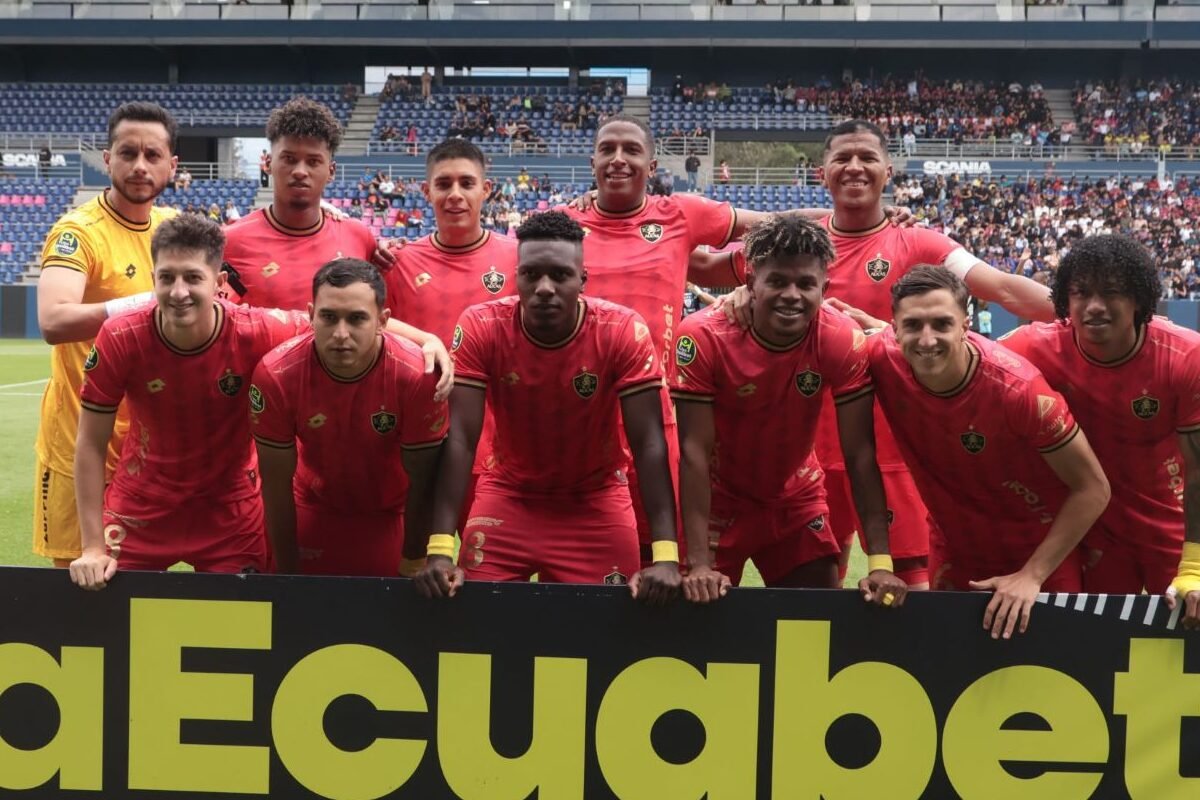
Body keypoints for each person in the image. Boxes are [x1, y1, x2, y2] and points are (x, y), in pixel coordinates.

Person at [703, 119, 1057, 588]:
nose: (855, 167)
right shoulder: (790, 248)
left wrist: (1108, 305)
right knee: (818, 594)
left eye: (867, 158)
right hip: (802, 457)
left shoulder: (920, 242)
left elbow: (1006, 289)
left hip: (883, 446)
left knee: (909, 590)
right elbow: (693, 262)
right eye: (842, 159)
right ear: (821, 171)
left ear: (888, 171)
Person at [414, 212, 680, 602]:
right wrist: (438, 550)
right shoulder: (482, 325)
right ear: (516, 276)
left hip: (596, 500)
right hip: (508, 496)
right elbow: (460, 439)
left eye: (559, 275)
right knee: (477, 623)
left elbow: (649, 444)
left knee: (607, 636)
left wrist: (667, 556)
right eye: (531, 274)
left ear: (582, 280)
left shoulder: (622, 330)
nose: (544, 287)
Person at [672, 215, 905, 606]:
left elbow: (860, 454)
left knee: (816, 622)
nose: (792, 295)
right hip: (716, 501)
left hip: (795, 500)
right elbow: (693, 451)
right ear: (750, 284)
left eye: (806, 284)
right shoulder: (702, 336)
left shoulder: (840, 339)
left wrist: (880, 561)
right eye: (777, 281)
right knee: (692, 624)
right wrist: (697, 563)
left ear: (824, 288)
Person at [68, 215, 312, 587]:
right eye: (167, 277)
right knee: (109, 622)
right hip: (142, 506)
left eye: (193, 277)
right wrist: (91, 547)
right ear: (153, 280)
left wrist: (424, 341)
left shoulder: (257, 330)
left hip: (229, 511)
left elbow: (332, 323)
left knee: (242, 632)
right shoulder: (121, 336)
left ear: (219, 283)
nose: (178, 291)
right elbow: (89, 443)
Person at [866, 267, 1110, 638]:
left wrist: (1032, 575)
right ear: (893, 327)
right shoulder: (881, 358)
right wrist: (741, 296)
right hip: (956, 549)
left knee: (1055, 681)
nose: (927, 340)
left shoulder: (1019, 391)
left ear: (966, 325)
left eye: (942, 324)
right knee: (951, 677)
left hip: (1039, 554)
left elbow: (1094, 488)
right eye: (913, 325)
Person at [999, 235, 1200, 596]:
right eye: (1081, 293)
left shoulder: (1185, 356)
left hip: (1170, 521)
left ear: (1138, 299)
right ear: (1064, 298)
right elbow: (959, 353)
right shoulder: (1033, 346)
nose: (1094, 306)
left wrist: (1195, 565)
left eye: (1111, 293)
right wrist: (882, 329)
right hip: (1092, 525)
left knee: (1184, 638)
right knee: (1096, 645)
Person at [33, 102, 179, 566]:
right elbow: (54, 321)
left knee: (147, 592)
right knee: (76, 594)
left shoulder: (174, 229)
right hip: (79, 446)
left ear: (172, 165)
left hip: (151, 452)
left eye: (152, 155)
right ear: (106, 158)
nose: (140, 166)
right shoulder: (79, 231)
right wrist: (145, 303)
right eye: (127, 152)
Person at [252, 259, 446, 577]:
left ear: (382, 320)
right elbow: (275, 484)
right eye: (329, 317)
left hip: (391, 515)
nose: (341, 334)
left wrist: (413, 559)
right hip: (312, 507)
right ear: (311, 314)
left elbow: (423, 481)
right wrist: (286, 574)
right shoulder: (276, 375)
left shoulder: (416, 376)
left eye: (357, 319)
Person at [222, 98, 396, 311]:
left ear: (331, 171)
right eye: (289, 159)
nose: (300, 171)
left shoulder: (360, 237)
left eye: (313, 161)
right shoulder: (230, 243)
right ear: (268, 163)